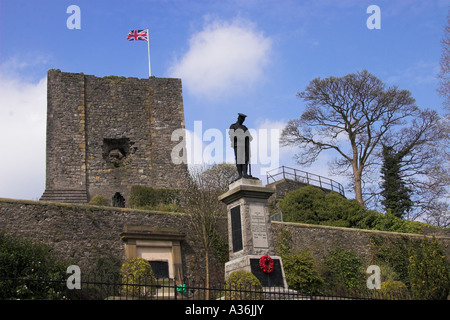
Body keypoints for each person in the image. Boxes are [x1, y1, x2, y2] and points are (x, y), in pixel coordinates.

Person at [229, 113, 254, 179]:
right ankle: (240, 175)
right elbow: (232, 136)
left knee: (245, 159)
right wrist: (241, 137)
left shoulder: (244, 128)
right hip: (237, 145)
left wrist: (247, 137)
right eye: (241, 119)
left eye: (243, 120)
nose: (242, 120)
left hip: (245, 146)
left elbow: (250, 137)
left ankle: (245, 174)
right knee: (239, 159)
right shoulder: (233, 126)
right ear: (238, 118)